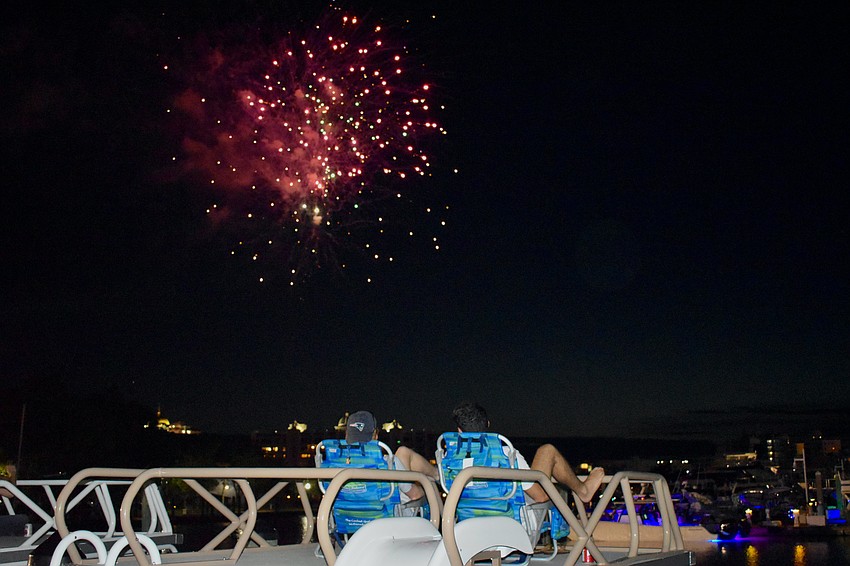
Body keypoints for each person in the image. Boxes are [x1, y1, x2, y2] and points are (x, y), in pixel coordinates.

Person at [451, 402, 605, 504]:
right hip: (512, 518)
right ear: (488, 424)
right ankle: (583, 491)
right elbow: (541, 497)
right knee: (547, 451)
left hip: (470, 522)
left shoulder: (448, 458)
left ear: (459, 431)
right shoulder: (505, 454)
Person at [345, 410, 439, 502]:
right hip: (389, 515)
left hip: (345, 516)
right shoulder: (388, 464)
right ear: (375, 435)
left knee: (403, 452)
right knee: (403, 455)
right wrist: (427, 484)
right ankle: (438, 476)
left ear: (346, 436)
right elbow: (415, 495)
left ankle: (438, 475)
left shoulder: (334, 464)